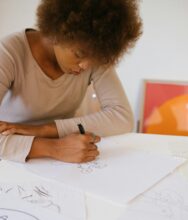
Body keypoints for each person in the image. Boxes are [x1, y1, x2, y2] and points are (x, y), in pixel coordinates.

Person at [0, 0, 142, 163]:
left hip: (65, 159)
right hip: (11, 159)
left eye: (95, 58)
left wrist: (43, 130)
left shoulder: (94, 53)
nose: (86, 65)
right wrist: (54, 148)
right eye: (79, 54)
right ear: (55, 34)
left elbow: (122, 118)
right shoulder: (8, 53)